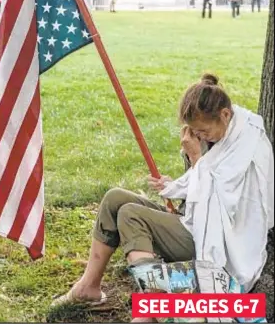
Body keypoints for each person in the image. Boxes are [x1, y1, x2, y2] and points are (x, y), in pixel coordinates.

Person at [50, 74, 274, 322]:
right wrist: (175, 183)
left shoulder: (249, 145)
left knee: (131, 215)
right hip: (196, 220)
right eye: (197, 132)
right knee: (115, 198)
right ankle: (88, 288)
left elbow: (225, 205)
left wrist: (197, 159)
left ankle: (152, 309)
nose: (201, 136)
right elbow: (205, 183)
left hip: (221, 242)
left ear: (225, 114)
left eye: (204, 131)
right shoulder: (223, 133)